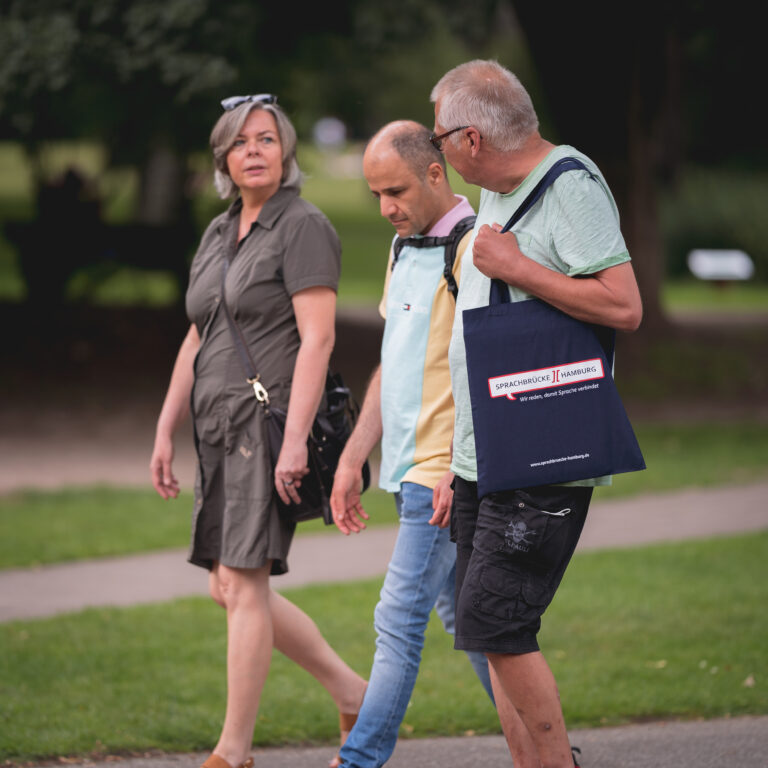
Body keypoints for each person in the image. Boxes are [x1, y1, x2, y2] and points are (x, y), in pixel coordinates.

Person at [430, 60, 643, 768]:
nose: (438, 150)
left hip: (539, 447)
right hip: (485, 451)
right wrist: (453, 458)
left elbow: (624, 306)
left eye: (438, 137)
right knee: (483, 627)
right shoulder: (497, 187)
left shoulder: (570, 186)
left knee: (497, 621)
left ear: (470, 140)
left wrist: (519, 268)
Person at [150, 93, 367, 768]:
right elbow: (198, 335)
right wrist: (165, 427)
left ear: (286, 151)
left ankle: (232, 751)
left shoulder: (302, 226)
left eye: (267, 139)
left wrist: (295, 440)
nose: (254, 151)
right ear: (224, 158)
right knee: (226, 586)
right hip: (216, 429)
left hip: (264, 427)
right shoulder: (218, 233)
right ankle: (355, 693)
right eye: (241, 142)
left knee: (242, 583)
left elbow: (318, 338)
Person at [330, 120, 495, 768]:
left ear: (434, 173)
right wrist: (353, 456)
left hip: (442, 472)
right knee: (473, 624)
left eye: (395, 191)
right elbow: (393, 361)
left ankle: (359, 759)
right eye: (375, 194)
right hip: (403, 468)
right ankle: (545, 750)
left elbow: (488, 370)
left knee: (397, 618)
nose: (385, 208)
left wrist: (458, 465)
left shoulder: (475, 247)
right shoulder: (402, 248)